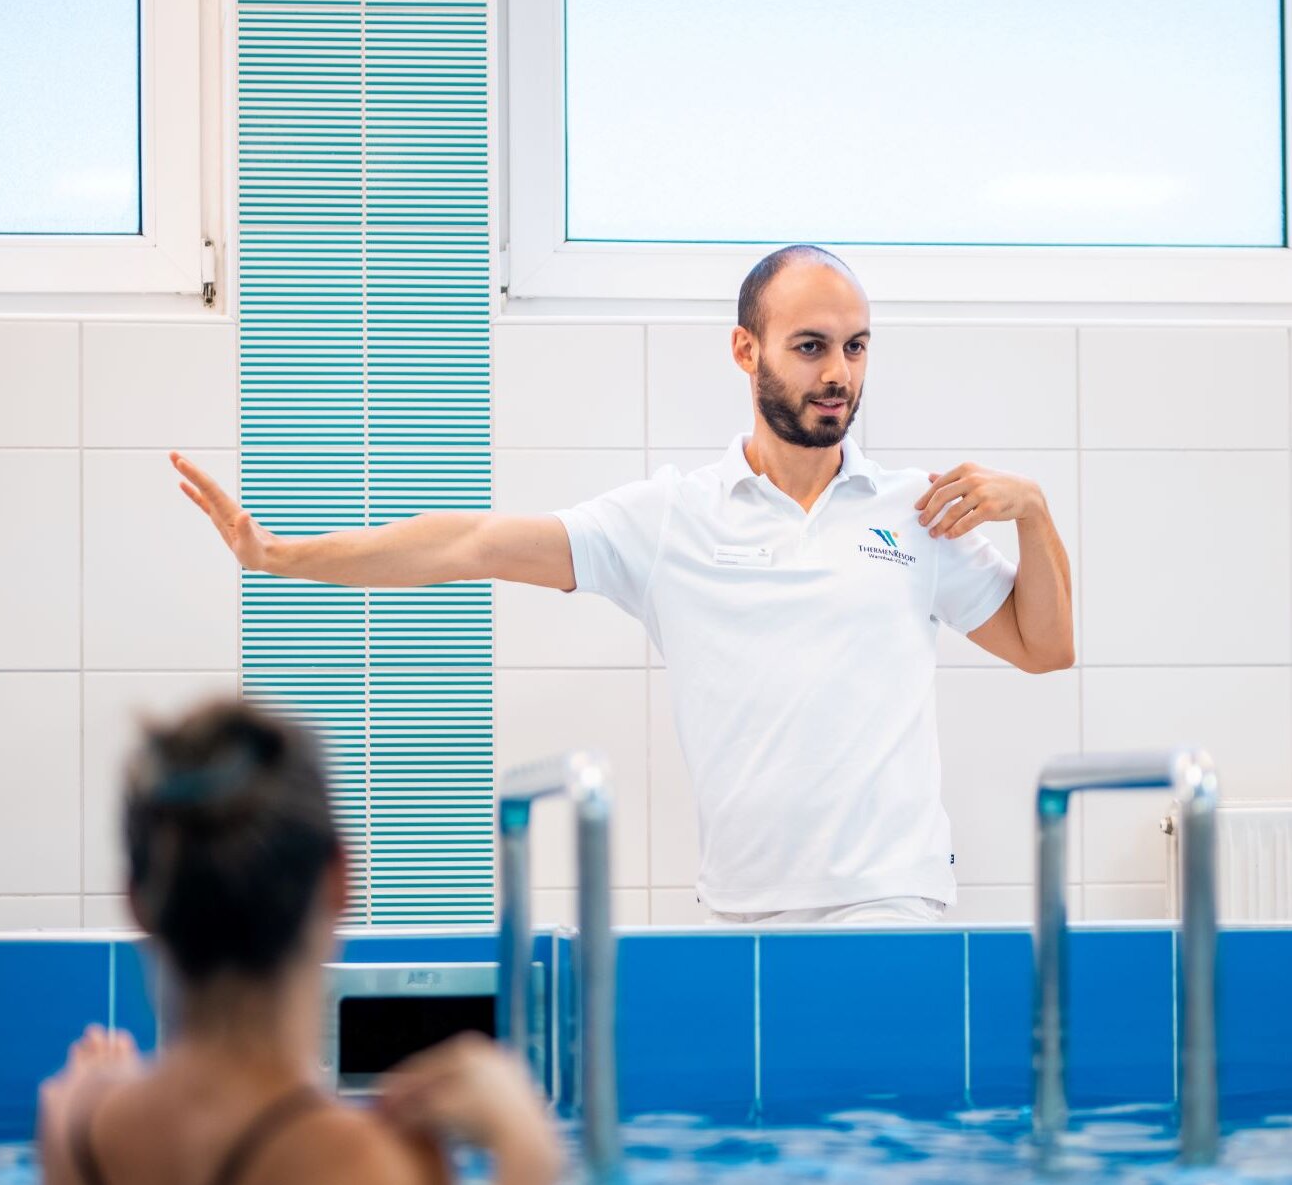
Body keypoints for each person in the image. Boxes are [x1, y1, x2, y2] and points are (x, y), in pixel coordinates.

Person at [171, 244, 1073, 927]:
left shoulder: (919, 511)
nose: (839, 374)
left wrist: (1031, 512)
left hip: (895, 902)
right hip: (740, 912)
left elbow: (1047, 648)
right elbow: (473, 542)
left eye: (855, 347)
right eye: (809, 347)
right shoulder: (672, 518)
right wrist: (284, 556)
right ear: (743, 349)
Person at [37, 699, 561, 1185]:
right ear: (340, 880)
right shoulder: (378, 1171)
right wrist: (527, 1156)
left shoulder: (72, 1134)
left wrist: (98, 1087)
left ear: (137, 900)